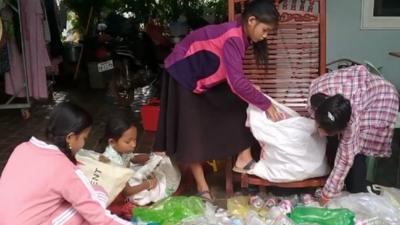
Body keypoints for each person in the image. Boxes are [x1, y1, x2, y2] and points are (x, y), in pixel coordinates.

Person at [154, 0, 283, 201]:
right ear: (251, 20)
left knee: (240, 103)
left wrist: (252, 90)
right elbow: (237, 82)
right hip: (183, 74)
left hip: (204, 75)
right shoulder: (234, 38)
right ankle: (202, 185)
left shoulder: (241, 35)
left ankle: (243, 156)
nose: (265, 36)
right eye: (265, 30)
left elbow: (234, 76)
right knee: (192, 132)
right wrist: (265, 103)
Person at [0, 102, 132, 225]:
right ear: (70, 137)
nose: (83, 144)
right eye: (84, 138)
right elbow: (99, 217)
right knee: (97, 194)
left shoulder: (22, 147)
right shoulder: (62, 167)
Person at [308, 65, 399, 205]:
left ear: (343, 127)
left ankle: (358, 191)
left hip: (381, 97)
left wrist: (327, 195)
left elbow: (345, 158)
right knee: (334, 146)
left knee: (356, 151)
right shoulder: (316, 97)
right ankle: (339, 184)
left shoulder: (353, 120)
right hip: (348, 91)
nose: (319, 132)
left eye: (323, 129)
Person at [99, 113, 158, 198]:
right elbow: (127, 191)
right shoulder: (113, 163)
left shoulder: (122, 150)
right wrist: (148, 184)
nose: (134, 144)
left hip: (125, 175)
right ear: (112, 142)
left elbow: (133, 158)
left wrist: (152, 157)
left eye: (135, 139)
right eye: (128, 141)